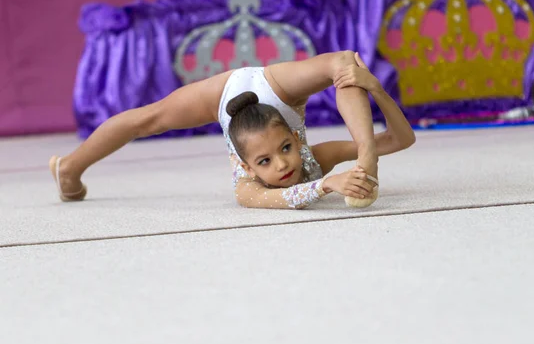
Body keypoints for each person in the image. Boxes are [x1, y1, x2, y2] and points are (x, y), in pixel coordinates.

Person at [49, 51, 415, 209]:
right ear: (250, 168)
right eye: (266, 162)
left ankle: (368, 161)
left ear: (293, 140)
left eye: (286, 149)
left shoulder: (303, 158)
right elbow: (276, 201)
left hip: (273, 96)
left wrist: (375, 88)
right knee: (148, 118)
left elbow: (402, 139)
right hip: (232, 94)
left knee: (344, 62)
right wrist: (326, 183)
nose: (284, 165)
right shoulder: (250, 186)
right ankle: (70, 167)